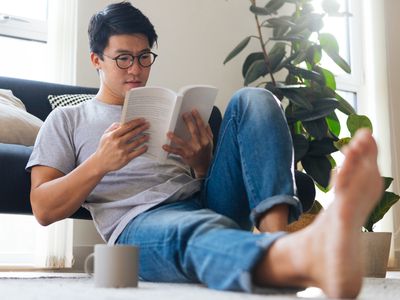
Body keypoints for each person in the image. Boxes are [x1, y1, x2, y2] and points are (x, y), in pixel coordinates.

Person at [27, 2, 383, 298]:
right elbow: (42, 207)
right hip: (138, 223)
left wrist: (202, 162)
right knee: (191, 228)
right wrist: (100, 164)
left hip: (205, 199)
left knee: (255, 99)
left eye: (144, 57)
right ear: (96, 60)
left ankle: (277, 240)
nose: (136, 69)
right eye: (122, 58)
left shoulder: (169, 110)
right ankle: (297, 259)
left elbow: (206, 178)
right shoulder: (67, 119)